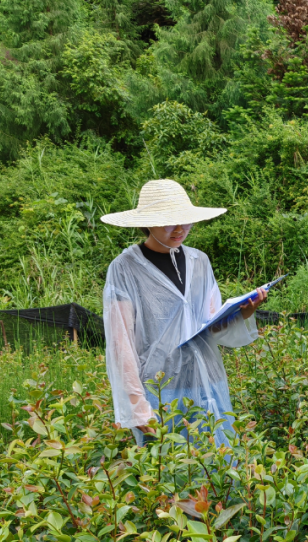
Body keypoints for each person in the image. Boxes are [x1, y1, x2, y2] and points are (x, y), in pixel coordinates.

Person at [102, 179, 267, 448]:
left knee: (217, 468)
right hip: (160, 389)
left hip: (207, 382)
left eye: (185, 221)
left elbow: (211, 325)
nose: (180, 229)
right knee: (171, 473)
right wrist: (137, 406)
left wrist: (244, 312)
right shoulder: (124, 269)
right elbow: (121, 342)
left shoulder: (198, 261)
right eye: (170, 222)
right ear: (148, 222)